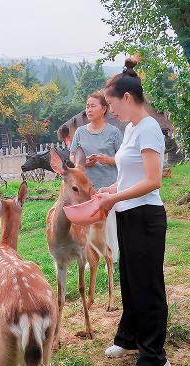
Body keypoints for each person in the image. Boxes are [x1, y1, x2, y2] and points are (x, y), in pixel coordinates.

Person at [95, 58, 171, 366]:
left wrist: (114, 198)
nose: (110, 111)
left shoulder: (150, 128)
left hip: (146, 217)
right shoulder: (130, 129)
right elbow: (130, 175)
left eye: (111, 104)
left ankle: (154, 358)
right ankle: (129, 339)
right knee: (129, 279)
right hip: (128, 214)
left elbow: (154, 181)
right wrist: (111, 189)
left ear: (127, 99)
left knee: (147, 286)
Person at [69, 92, 124, 262]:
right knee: (88, 224)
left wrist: (108, 160)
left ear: (104, 109)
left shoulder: (114, 132)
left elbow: (123, 159)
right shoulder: (80, 132)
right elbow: (72, 156)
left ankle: (111, 258)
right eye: (87, 106)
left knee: (109, 224)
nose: (89, 109)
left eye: (93, 106)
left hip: (109, 186)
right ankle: (91, 259)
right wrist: (83, 163)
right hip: (86, 189)